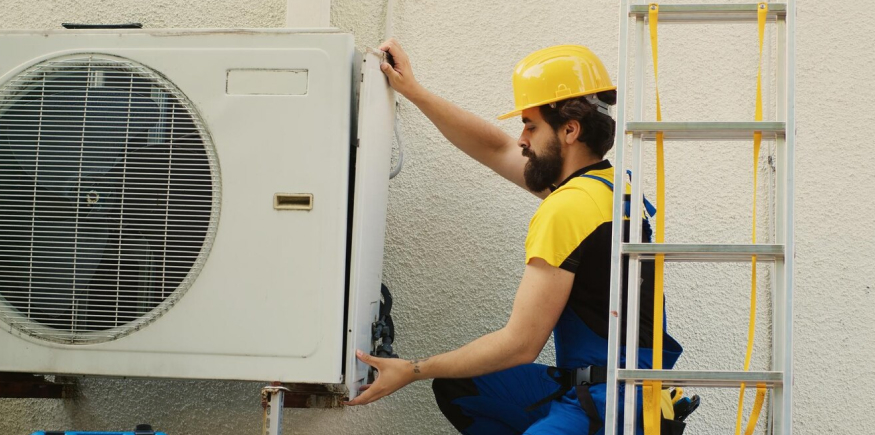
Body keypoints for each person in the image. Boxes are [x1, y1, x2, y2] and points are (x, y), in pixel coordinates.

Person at [345, 39, 683, 435]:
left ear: (570, 130)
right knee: (462, 386)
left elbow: (521, 344)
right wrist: (415, 91)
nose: (522, 138)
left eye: (531, 126)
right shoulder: (610, 188)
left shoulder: (567, 208)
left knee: (453, 375)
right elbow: (496, 148)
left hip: (611, 404)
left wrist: (413, 369)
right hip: (631, 387)